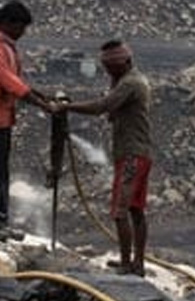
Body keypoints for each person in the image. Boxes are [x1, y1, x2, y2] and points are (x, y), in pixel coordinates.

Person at [54, 40, 153, 276]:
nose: (108, 72)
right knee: (136, 210)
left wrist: (67, 108)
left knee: (121, 211)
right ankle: (136, 263)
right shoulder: (130, 80)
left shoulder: (130, 84)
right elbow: (112, 111)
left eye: (111, 68)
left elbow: (102, 107)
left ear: (123, 63)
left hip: (131, 155)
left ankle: (127, 264)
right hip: (138, 153)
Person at [0, 0, 51, 227]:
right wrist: (43, 105)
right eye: (20, 27)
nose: (22, 32)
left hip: (2, 118)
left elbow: (16, 81)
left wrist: (41, 96)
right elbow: (11, 84)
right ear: (7, 23)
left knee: (0, 171)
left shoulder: (5, 47)